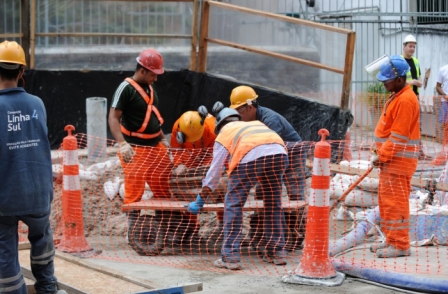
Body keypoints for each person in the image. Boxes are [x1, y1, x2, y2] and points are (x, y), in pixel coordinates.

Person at [0, 41, 67, 294]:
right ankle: (47, 287)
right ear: (21, 72)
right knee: (41, 238)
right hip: (38, 191)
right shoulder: (37, 104)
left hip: (5, 196)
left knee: (5, 248)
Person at [187, 106, 289, 270]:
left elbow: (215, 172)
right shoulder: (255, 124)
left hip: (250, 158)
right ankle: (276, 252)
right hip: (279, 154)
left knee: (233, 205)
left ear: (219, 125)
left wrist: (200, 199)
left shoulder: (224, 134)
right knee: (273, 204)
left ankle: (230, 257)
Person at [108, 48, 172, 254]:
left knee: (163, 188)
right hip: (134, 149)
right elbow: (113, 118)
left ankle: (166, 230)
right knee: (134, 191)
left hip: (155, 146)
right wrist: (122, 143)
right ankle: (133, 233)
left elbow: (151, 117)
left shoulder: (150, 89)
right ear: (143, 70)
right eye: (153, 74)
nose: (156, 78)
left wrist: (163, 140)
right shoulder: (125, 88)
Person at [370, 55, 420, 258]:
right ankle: (391, 239)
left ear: (399, 79)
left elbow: (398, 138)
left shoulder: (406, 100)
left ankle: (400, 245)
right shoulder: (398, 96)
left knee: (396, 203)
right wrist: (379, 153)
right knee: (387, 202)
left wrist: (380, 155)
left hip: (398, 161)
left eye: (387, 80)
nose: (383, 83)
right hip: (391, 161)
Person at [228, 85, 305, 201]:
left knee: (295, 190)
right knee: (262, 191)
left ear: (249, 107)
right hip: (273, 152)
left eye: (239, 111)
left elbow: (267, 147)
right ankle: (259, 218)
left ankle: (297, 218)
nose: (237, 115)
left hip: (293, 151)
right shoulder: (248, 121)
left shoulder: (270, 120)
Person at [401, 34, 431, 160]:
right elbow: (397, 81)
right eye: (410, 46)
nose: (412, 49)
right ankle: (404, 150)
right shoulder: (400, 61)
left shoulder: (416, 61)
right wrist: (411, 82)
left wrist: (419, 81)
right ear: (404, 46)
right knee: (405, 123)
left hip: (415, 96)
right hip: (403, 97)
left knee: (416, 124)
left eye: (413, 47)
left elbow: (418, 76)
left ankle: (417, 151)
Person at [430, 63, 448, 166]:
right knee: (445, 127)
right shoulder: (443, 69)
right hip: (446, 102)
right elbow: (438, 87)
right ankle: (445, 151)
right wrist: (445, 95)